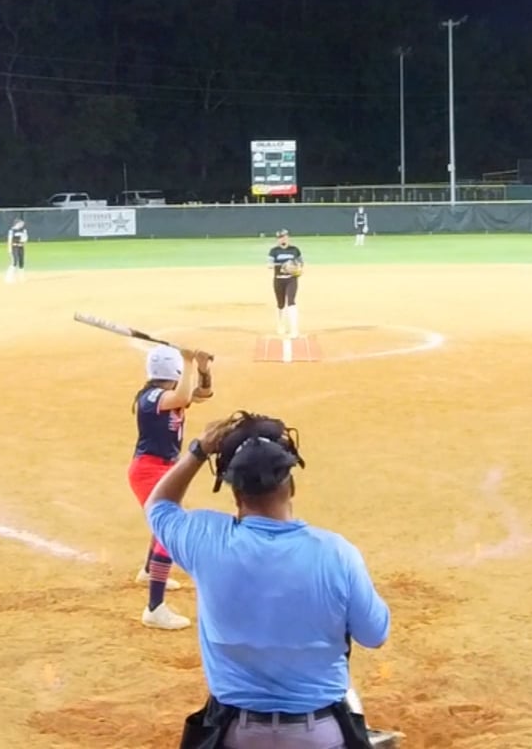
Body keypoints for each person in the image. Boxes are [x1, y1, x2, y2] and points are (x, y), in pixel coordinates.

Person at [148, 411, 395, 749]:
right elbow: (375, 634)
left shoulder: (205, 539)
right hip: (319, 735)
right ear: (290, 486)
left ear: (236, 494)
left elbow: (159, 505)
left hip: (237, 735)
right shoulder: (337, 553)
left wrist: (199, 450)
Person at [129, 343, 214, 630]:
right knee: (169, 529)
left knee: (164, 522)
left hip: (163, 468)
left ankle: (148, 571)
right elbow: (183, 396)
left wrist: (202, 368)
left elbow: (202, 394)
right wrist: (188, 362)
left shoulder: (166, 395)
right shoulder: (152, 397)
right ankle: (154, 608)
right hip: (149, 470)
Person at [268, 229, 305, 338]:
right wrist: (283, 266)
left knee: (291, 302)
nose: (282, 239)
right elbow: (269, 264)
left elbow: (301, 263)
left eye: (284, 237)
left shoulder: (295, 250)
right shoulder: (274, 251)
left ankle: (294, 329)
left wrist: (296, 268)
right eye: (280, 237)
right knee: (280, 304)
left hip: (291, 279)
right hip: (279, 279)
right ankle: (281, 324)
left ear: (288, 237)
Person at [6, 217, 27, 284]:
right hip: (14, 247)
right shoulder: (12, 230)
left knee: (21, 262)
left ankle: (21, 278)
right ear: (17, 223)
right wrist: (9, 249)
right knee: (14, 262)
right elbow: (9, 240)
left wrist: (24, 239)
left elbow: (25, 238)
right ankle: (9, 278)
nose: (22, 225)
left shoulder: (23, 230)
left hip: (21, 247)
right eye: (21, 223)